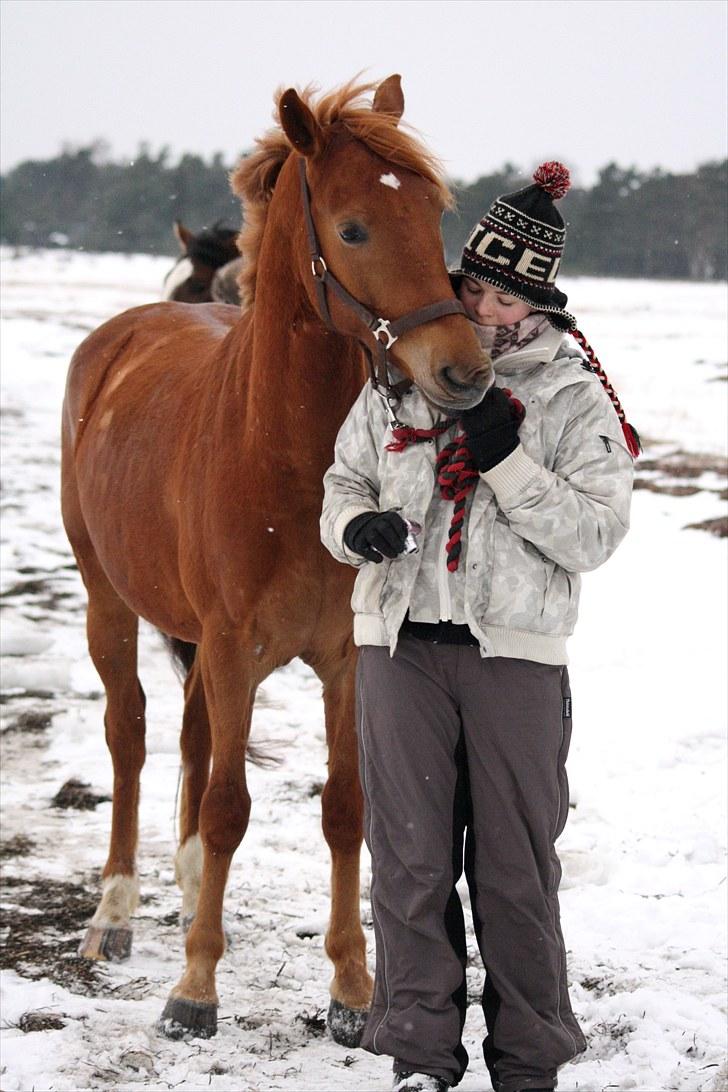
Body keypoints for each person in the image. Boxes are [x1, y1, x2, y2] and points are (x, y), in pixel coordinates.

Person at [320, 163, 637, 1092]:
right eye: (473, 287)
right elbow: (343, 483)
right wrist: (354, 528)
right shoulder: (398, 382)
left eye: (502, 295)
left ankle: (530, 1057)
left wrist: (505, 463)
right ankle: (419, 1053)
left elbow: (594, 533)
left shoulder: (575, 401)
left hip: (514, 665)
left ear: (535, 304)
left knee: (514, 873)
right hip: (399, 652)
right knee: (410, 866)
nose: (483, 307)